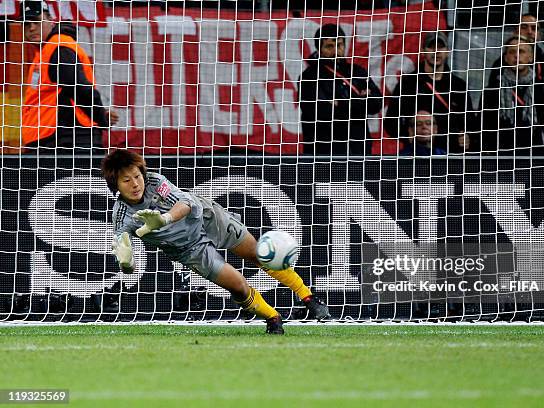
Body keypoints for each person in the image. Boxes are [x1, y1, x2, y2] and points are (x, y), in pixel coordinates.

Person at [102, 149, 330, 334]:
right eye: (126, 180)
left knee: (259, 255)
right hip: (189, 249)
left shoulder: (156, 182)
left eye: (137, 176)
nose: (135, 183)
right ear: (116, 185)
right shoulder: (122, 217)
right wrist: (125, 264)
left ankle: (309, 299)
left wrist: (164, 219)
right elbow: (128, 266)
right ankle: (273, 318)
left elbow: (186, 204)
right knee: (238, 286)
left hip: (207, 218)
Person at [19, 1, 118, 154]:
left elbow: (79, 88)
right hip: (53, 140)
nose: (31, 28)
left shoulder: (59, 48)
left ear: (50, 20)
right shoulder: (46, 51)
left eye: (36, 21)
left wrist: (101, 119)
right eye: (26, 24)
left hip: (66, 142)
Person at [298, 24, 383, 156]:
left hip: (358, 151)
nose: (336, 51)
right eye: (329, 46)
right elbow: (322, 112)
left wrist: (340, 103)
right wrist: (359, 101)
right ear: (319, 49)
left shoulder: (358, 71)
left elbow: (376, 103)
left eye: (339, 45)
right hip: (324, 153)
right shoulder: (309, 77)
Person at [385, 31, 474, 154]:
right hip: (417, 155)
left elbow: (470, 121)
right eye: (431, 47)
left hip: (451, 154)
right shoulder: (408, 83)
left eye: (440, 47)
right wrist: (408, 135)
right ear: (423, 51)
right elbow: (391, 121)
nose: (436, 51)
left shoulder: (459, 85)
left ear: (447, 51)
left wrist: (467, 136)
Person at [481, 36, 544, 155]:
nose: (516, 56)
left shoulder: (543, 89)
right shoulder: (492, 90)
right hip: (500, 155)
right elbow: (483, 124)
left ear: (531, 58)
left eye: (521, 51)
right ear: (505, 58)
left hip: (535, 154)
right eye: (512, 52)